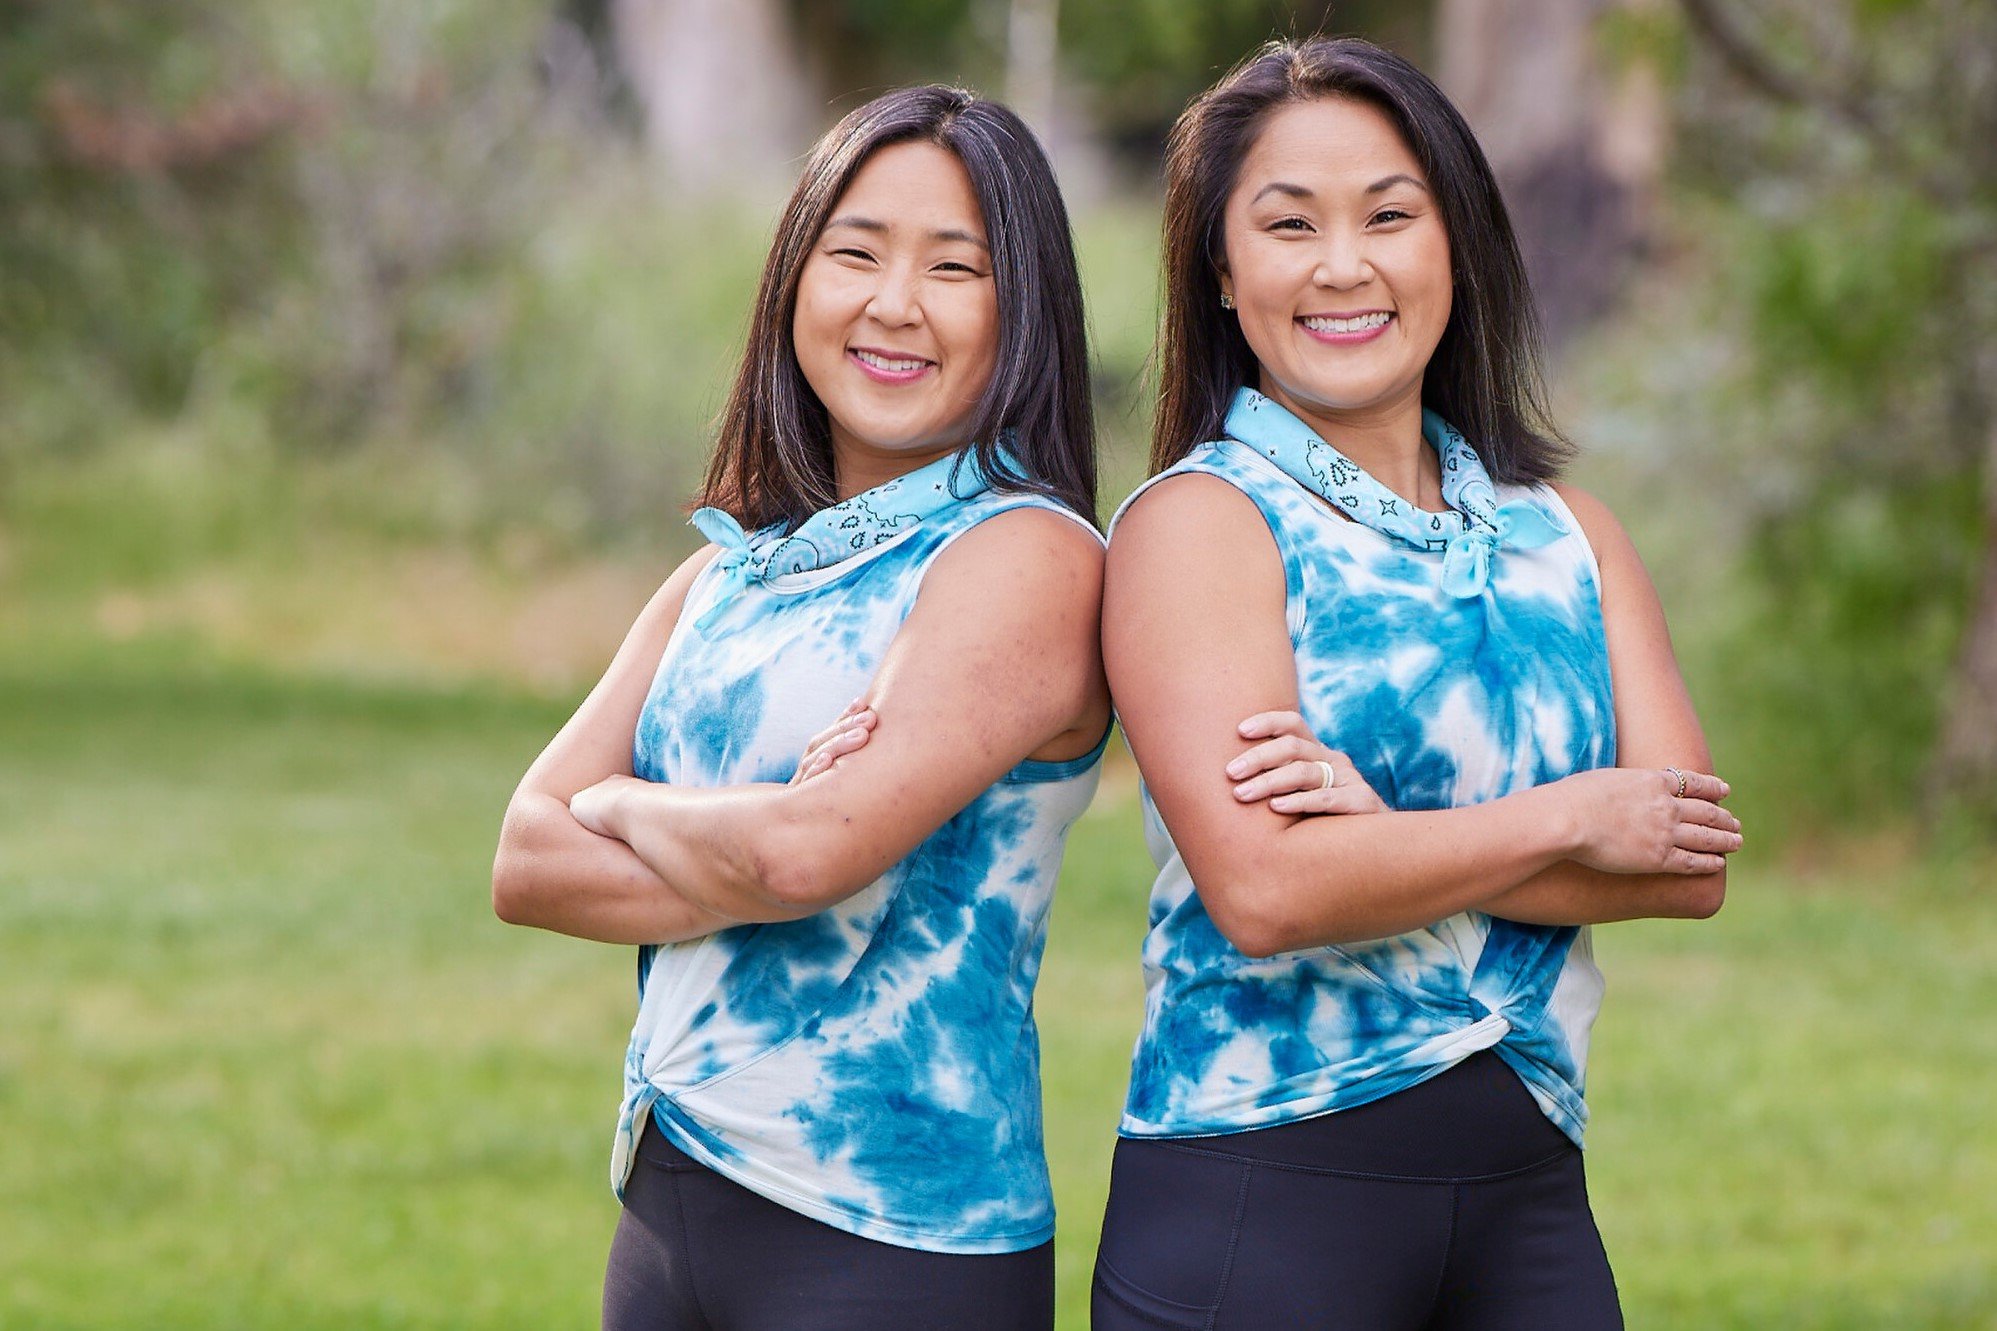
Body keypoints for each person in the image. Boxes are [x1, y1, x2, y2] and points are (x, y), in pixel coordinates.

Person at [1090, 38, 1742, 1330]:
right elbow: (1269, 887)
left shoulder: (1571, 533)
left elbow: (1682, 859)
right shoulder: (1200, 524)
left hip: (1530, 1195)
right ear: (1222, 273)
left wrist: (1376, 843)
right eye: (1288, 224)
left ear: (1457, 245)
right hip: (1258, 1190)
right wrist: (1567, 815)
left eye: (1390, 214)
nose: (1345, 264)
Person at [490, 84, 1109, 1331]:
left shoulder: (1025, 555)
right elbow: (525, 857)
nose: (894, 303)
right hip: (672, 1198)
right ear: (794, 282)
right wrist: (765, 847)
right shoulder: (730, 567)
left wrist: (621, 803)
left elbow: (810, 849)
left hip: (892, 1235)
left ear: (1019, 311)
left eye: (954, 266)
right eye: (855, 253)